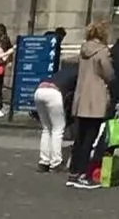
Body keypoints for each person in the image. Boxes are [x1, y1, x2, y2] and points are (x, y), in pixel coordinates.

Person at [70, 20, 115, 186]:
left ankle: (74, 172)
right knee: (90, 137)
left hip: (82, 97)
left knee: (80, 138)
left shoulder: (84, 50)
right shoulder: (102, 52)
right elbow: (109, 74)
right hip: (96, 98)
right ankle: (83, 174)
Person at [36, 36, 75, 173]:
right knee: (58, 128)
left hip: (40, 90)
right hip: (54, 92)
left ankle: (44, 161)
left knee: (47, 128)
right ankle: (56, 162)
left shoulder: (63, 70)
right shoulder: (78, 71)